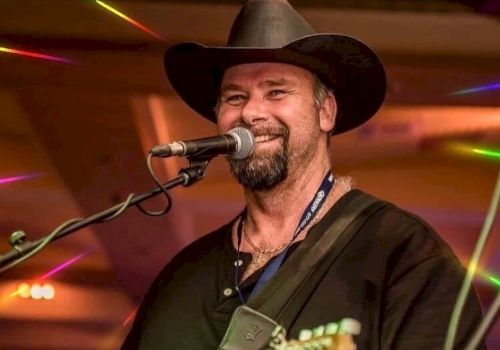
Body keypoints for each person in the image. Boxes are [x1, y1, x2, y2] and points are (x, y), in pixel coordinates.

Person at [122, 1, 483, 349]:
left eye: (276, 91)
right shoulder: (179, 278)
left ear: (326, 112)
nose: (251, 112)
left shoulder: (403, 252)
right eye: (234, 97)